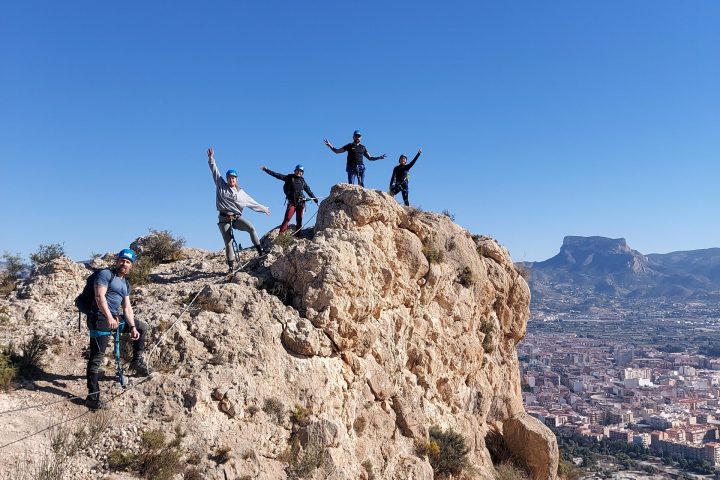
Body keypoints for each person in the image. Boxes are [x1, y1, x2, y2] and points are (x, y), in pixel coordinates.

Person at [86, 248, 150, 410]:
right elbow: (99, 297)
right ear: (117, 261)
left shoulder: (125, 283)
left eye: (128, 262)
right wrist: (108, 317)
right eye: (122, 260)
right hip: (99, 318)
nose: (124, 264)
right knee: (96, 358)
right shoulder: (106, 275)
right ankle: (92, 398)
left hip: (114, 318)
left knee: (142, 328)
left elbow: (127, 307)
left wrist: (133, 327)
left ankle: (136, 362)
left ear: (131, 266)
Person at [207, 148, 271, 270]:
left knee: (251, 228)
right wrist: (211, 159)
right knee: (229, 243)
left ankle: (260, 252)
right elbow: (214, 171)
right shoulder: (221, 185)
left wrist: (264, 209)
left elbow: (252, 203)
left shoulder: (242, 193)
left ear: (236, 179)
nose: (232, 180)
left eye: (234, 178)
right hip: (223, 219)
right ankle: (231, 267)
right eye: (230, 178)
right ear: (227, 179)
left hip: (236, 218)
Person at [261, 164, 318, 234]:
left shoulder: (303, 181)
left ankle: (298, 235)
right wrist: (266, 170)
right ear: (295, 171)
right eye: (298, 170)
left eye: (301, 171)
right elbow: (277, 175)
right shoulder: (289, 177)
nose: (299, 172)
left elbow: (308, 190)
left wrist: (315, 199)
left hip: (301, 202)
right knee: (287, 218)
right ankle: (281, 235)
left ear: (302, 173)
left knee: (299, 220)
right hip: (292, 202)